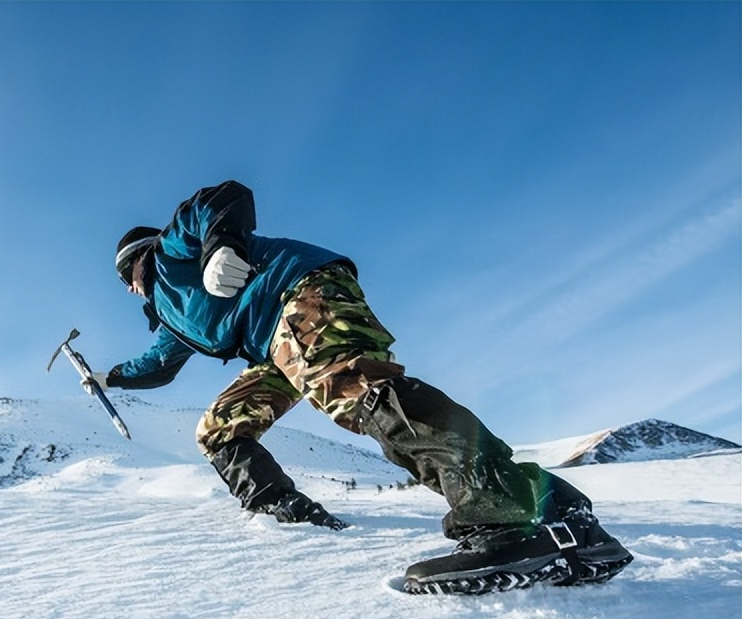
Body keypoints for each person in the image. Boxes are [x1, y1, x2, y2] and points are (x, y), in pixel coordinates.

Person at [95, 180, 632, 594]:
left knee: (352, 387)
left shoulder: (171, 251)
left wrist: (219, 247)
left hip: (299, 293)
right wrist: (109, 377)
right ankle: (287, 516)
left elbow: (225, 197)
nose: (127, 288)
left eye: (125, 278)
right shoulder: (173, 317)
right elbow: (160, 364)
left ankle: (515, 515)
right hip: (274, 347)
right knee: (220, 428)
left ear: (134, 261)